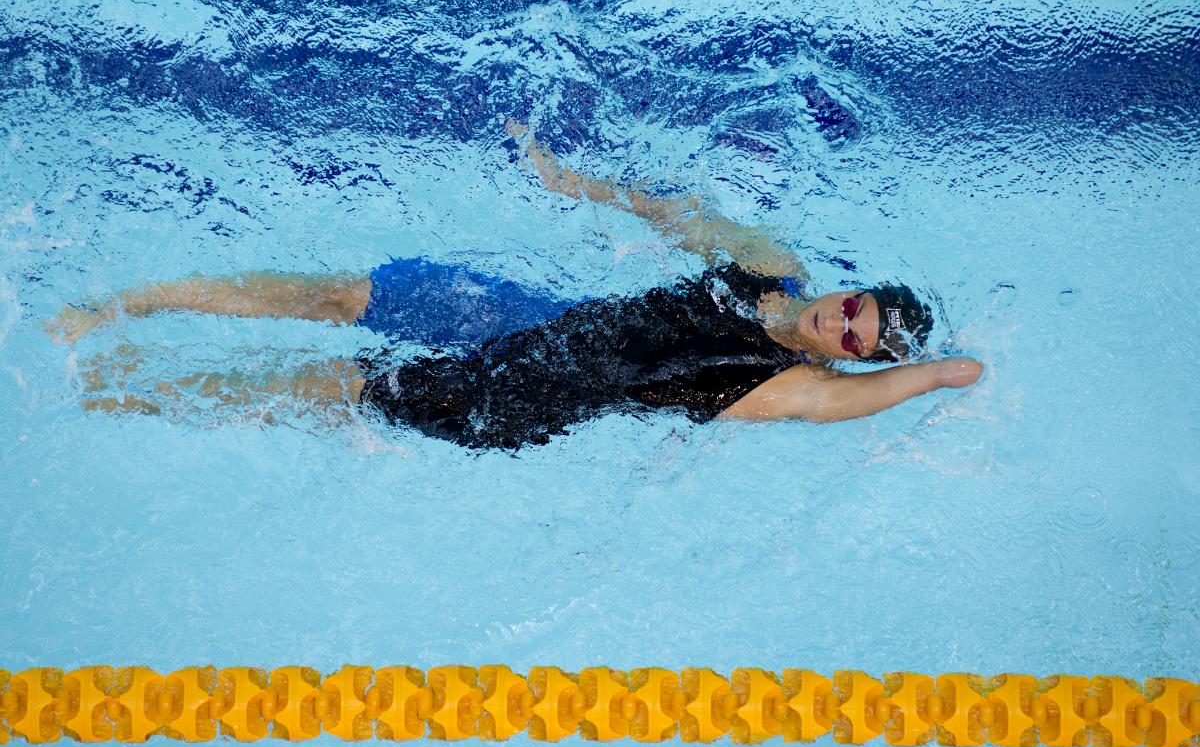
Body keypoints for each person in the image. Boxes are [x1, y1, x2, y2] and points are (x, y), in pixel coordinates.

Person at [47, 121, 983, 449]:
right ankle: (115, 308)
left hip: (524, 395)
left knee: (319, 386)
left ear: (849, 360)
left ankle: (116, 395)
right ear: (853, 289)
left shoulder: (788, 386)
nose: (842, 323)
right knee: (336, 295)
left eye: (855, 341)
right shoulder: (770, 264)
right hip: (532, 319)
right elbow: (672, 213)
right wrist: (568, 182)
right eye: (856, 308)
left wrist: (938, 376)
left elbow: (870, 397)